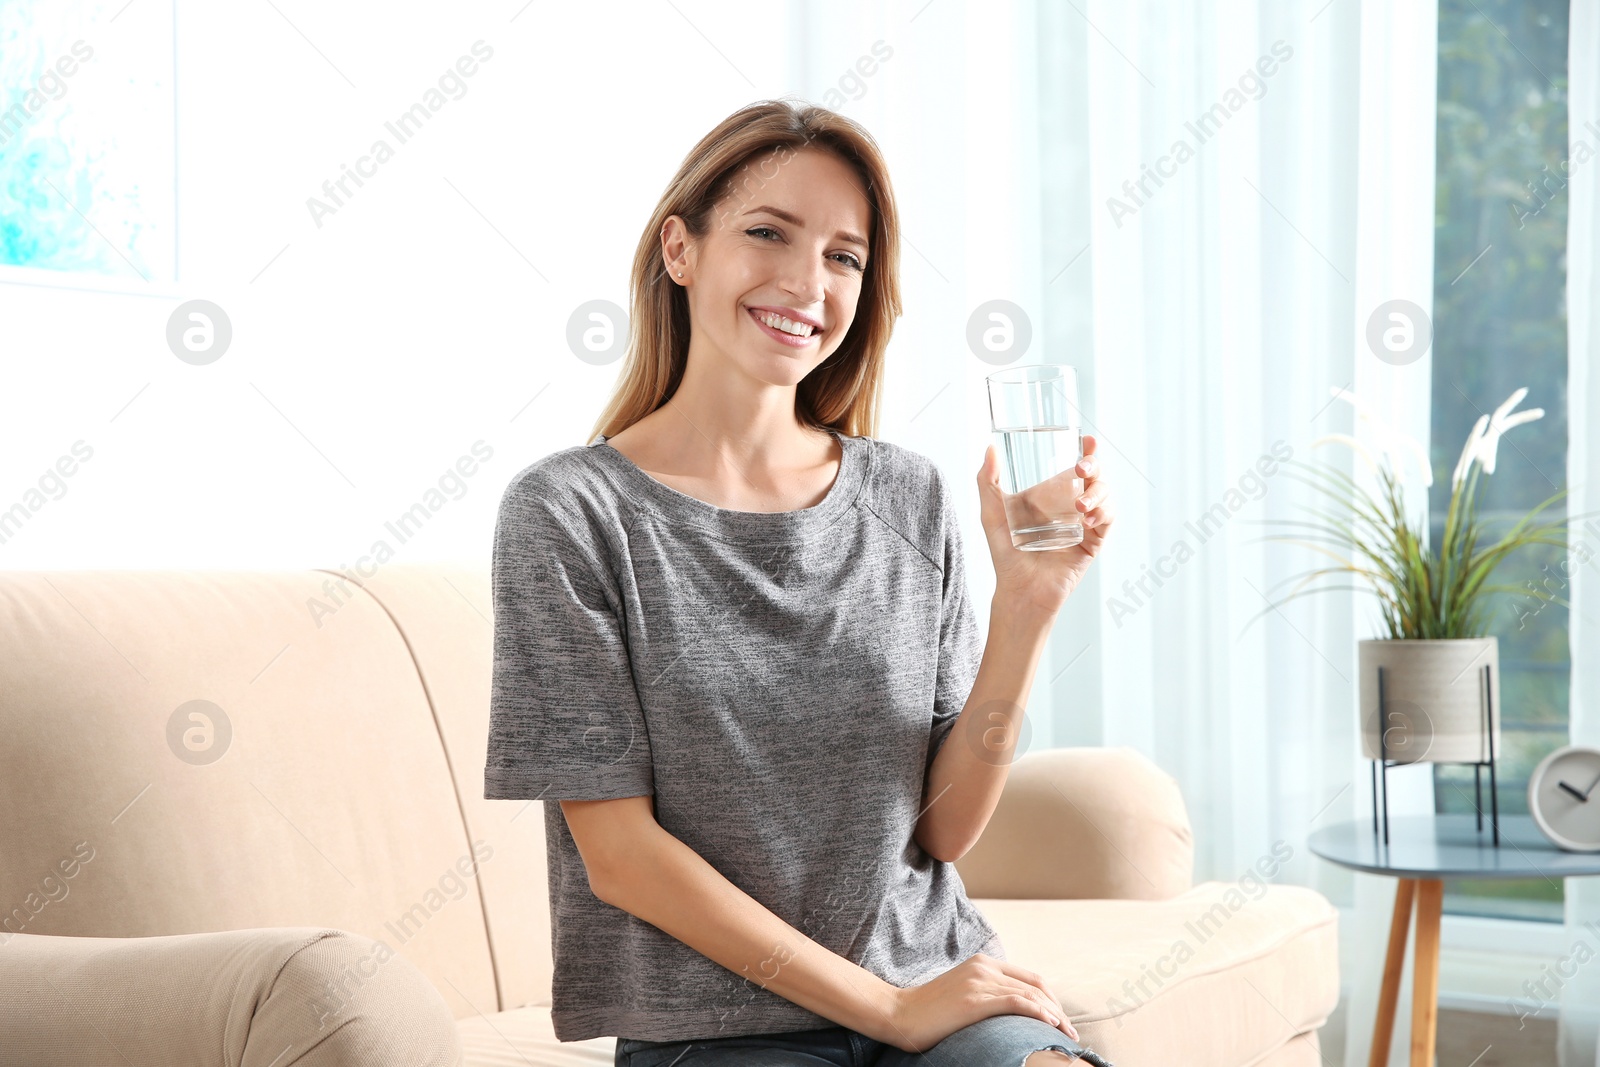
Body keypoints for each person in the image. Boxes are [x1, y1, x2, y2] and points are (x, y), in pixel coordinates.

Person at [484, 98, 1114, 1067]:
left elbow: (944, 827)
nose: (806, 281)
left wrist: (1026, 608)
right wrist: (882, 1010)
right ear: (680, 250)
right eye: (768, 233)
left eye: (844, 256)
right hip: (714, 1031)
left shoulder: (905, 494)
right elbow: (620, 859)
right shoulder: (569, 513)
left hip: (932, 981)